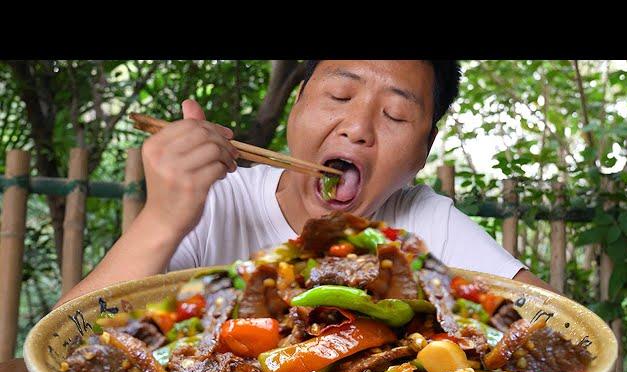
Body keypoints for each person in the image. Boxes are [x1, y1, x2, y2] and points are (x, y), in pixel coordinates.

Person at [56, 60, 552, 307]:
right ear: (297, 104)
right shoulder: (220, 199)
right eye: (339, 95)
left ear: (423, 152)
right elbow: (69, 342)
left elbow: (570, 340)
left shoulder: (425, 221)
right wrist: (163, 218)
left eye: (396, 115)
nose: (358, 127)